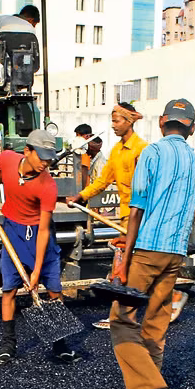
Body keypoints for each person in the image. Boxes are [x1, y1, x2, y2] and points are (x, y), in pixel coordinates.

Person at [108, 99, 195, 389]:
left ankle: (147, 387)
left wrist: (125, 259)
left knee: (121, 318)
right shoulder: (194, 161)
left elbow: (137, 209)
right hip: (175, 253)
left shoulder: (152, 153)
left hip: (148, 248)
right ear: (192, 128)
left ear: (162, 122)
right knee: (157, 321)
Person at [0, 130, 82, 366]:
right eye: (42, 157)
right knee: (9, 289)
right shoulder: (7, 159)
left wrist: (36, 271)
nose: (46, 164)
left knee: (54, 290)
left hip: (40, 234)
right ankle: (8, 345)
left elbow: (45, 230)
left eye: (49, 159)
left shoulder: (47, 185)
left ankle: (60, 344)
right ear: (27, 151)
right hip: (12, 231)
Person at [67, 102, 148, 329]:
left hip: (141, 217)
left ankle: (123, 316)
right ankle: (123, 314)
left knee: (131, 266)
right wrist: (80, 196)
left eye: (117, 121)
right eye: (112, 121)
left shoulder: (143, 149)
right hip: (126, 217)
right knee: (125, 265)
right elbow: (102, 181)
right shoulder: (116, 151)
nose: (113, 125)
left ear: (129, 121)